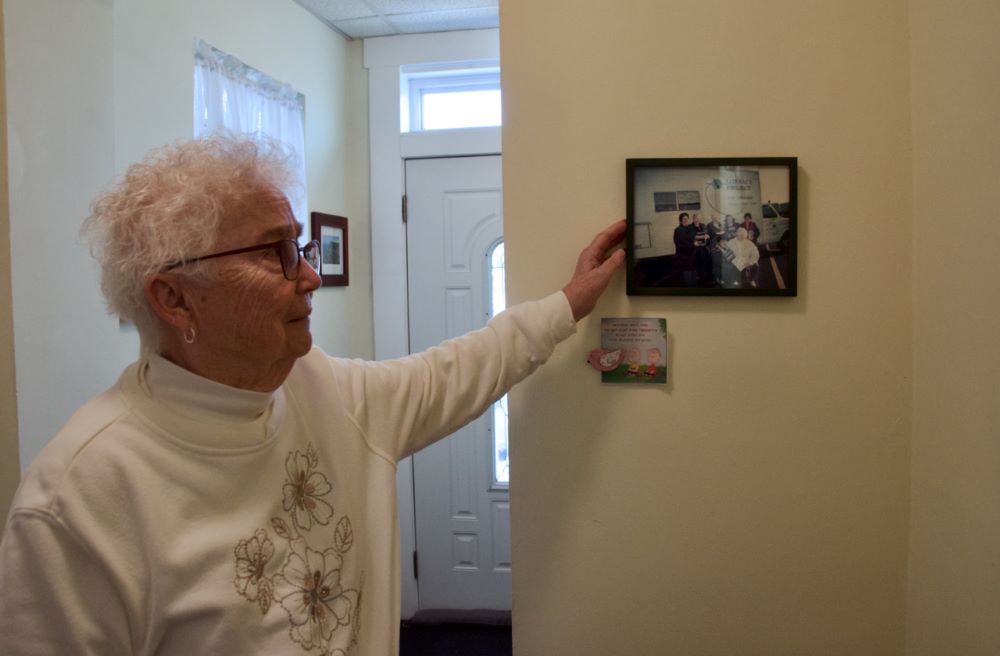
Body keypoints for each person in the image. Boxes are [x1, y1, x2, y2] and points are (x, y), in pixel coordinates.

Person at [0, 136, 625, 656]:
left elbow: (453, 372)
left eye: (297, 245)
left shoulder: (323, 391)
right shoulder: (77, 500)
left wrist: (567, 304)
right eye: (274, 253)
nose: (311, 275)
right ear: (175, 298)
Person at [672, 212, 697, 287]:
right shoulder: (678, 230)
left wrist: (703, 237)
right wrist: (694, 244)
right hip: (684, 259)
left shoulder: (689, 228)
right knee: (688, 278)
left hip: (692, 258)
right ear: (680, 221)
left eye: (687, 219)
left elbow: (695, 237)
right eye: (684, 219)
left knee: (694, 277)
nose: (686, 220)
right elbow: (682, 245)